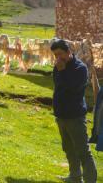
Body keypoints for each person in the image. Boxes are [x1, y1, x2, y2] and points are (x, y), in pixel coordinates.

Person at [51, 39, 97, 183]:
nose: (58, 58)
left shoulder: (80, 68)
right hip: (61, 115)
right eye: (55, 55)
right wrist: (60, 70)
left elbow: (73, 87)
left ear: (69, 52)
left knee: (83, 151)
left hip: (75, 116)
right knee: (68, 148)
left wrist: (62, 71)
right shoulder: (58, 67)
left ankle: (90, 180)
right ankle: (75, 176)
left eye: (60, 54)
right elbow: (58, 85)